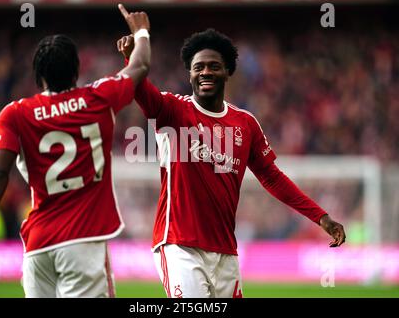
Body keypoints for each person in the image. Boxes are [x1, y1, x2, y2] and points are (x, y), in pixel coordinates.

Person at [117, 28, 346, 298]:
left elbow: (272, 178)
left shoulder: (245, 123)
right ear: (189, 73)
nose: (205, 72)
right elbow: (142, 91)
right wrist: (133, 59)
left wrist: (320, 216)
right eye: (198, 67)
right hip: (180, 246)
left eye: (214, 66)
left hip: (225, 252)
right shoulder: (173, 111)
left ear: (227, 72)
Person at [0, 4, 151, 298]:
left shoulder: (15, 113)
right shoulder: (98, 98)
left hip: (38, 245)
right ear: (76, 71)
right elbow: (139, 67)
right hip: (83, 241)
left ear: (38, 76)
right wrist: (140, 33)